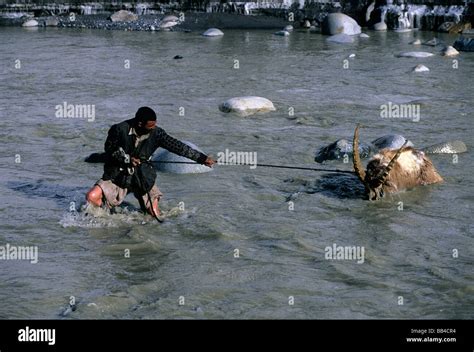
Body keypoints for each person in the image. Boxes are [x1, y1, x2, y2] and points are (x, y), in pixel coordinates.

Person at [85, 106, 215, 218]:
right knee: (91, 197)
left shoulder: (157, 133)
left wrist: (202, 159)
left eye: (154, 125)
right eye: (150, 126)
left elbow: (178, 147)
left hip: (143, 176)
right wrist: (127, 159)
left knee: (154, 213)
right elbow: (109, 149)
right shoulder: (119, 129)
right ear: (139, 124)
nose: (153, 128)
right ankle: (105, 215)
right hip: (118, 175)